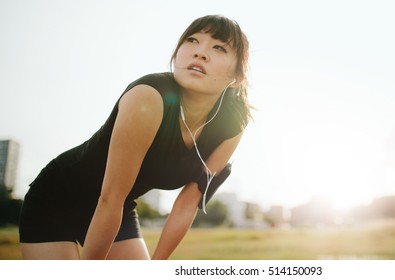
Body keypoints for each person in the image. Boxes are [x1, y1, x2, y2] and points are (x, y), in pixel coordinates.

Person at [18, 15, 251, 260]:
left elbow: (187, 203)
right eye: (192, 40)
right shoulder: (148, 97)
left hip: (119, 208)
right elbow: (110, 198)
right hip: (58, 197)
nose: (200, 52)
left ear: (237, 76)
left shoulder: (233, 122)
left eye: (218, 47)